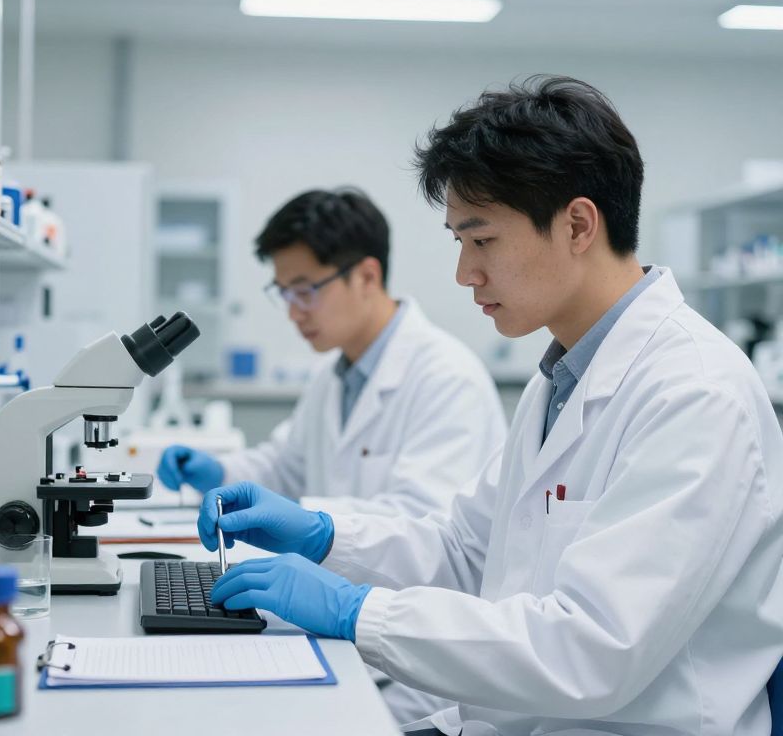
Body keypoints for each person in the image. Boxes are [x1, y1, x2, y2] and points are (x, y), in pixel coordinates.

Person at [197, 76, 783, 736]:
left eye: (483, 241)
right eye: (459, 243)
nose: (464, 273)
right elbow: (465, 550)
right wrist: (327, 535)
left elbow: (593, 649)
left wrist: (358, 612)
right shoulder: (562, 378)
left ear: (578, 224)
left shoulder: (694, 393)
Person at [157, 188, 506, 520]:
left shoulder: (447, 379)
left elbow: (426, 522)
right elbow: (286, 468)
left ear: (367, 277)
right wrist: (221, 472)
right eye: (284, 293)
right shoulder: (332, 374)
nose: (293, 313)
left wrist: (309, 522)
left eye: (305, 291)